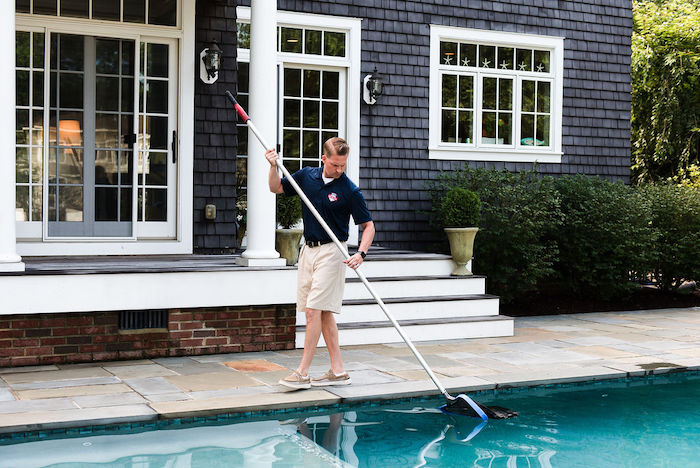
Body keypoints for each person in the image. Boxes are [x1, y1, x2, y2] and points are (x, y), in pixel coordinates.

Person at [265, 137, 375, 390]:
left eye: (343, 165)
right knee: (321, 312)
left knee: (314, 311)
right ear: (323, 159)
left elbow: (368, 226)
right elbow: (275, 188)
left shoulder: (349, 190)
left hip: (333, 252)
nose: (339, 170)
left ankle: (302, 373)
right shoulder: (306, 177)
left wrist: (361, 253)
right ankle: (338, 371)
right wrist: (272, 166)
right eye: (335, 165)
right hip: (308, 251)